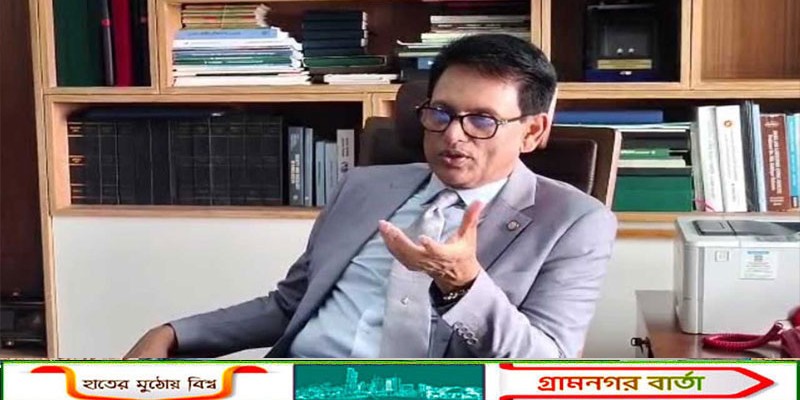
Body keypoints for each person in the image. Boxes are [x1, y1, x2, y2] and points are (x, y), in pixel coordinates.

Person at [125, 33, 617, 359]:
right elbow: (290, 305)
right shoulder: (364, 186)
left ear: (532, 132)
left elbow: (546, 365)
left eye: (482, 121)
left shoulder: (574, 222)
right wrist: (175, 332)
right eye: (440, 113)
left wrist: (464, 284)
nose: (453, 136)